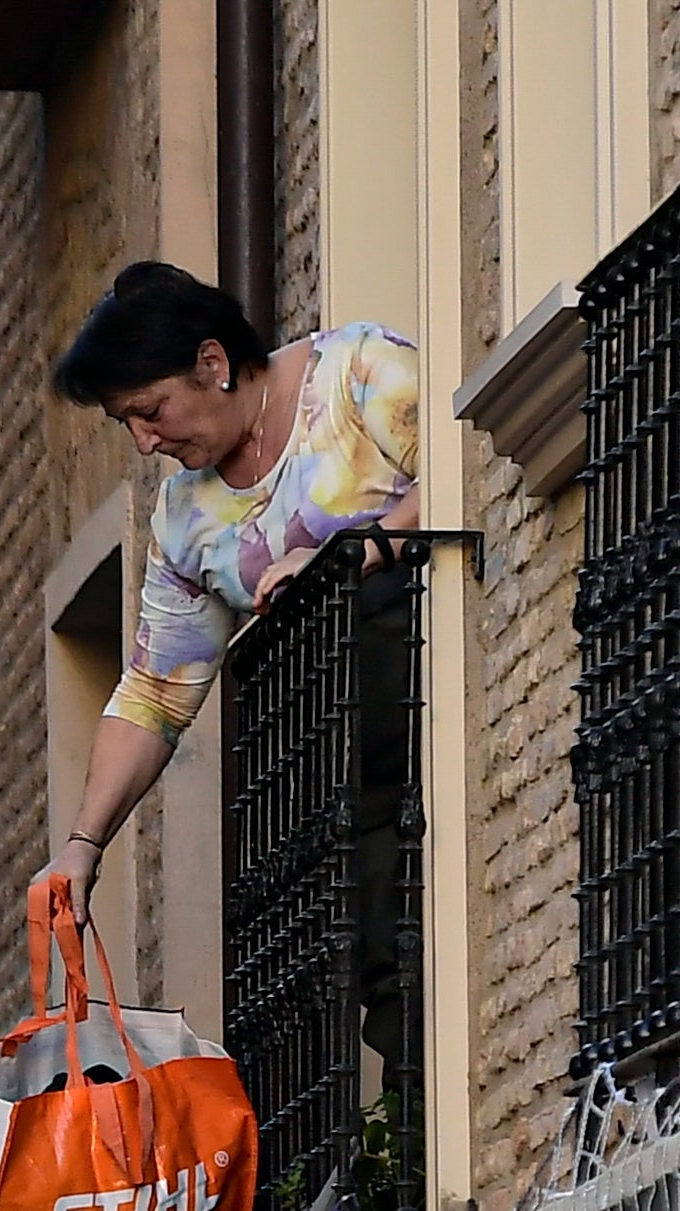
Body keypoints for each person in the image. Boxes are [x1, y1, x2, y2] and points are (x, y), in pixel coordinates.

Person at [40, 260, 422, 911]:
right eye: (124, 423)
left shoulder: (353, 372)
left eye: (150, 411)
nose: (142, 442)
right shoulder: (184, 518)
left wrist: (347, 558)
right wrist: (82, 844)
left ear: (212, 362)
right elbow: (154, 693)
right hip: (331, 799)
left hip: (422, 727)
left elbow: (466, 467)